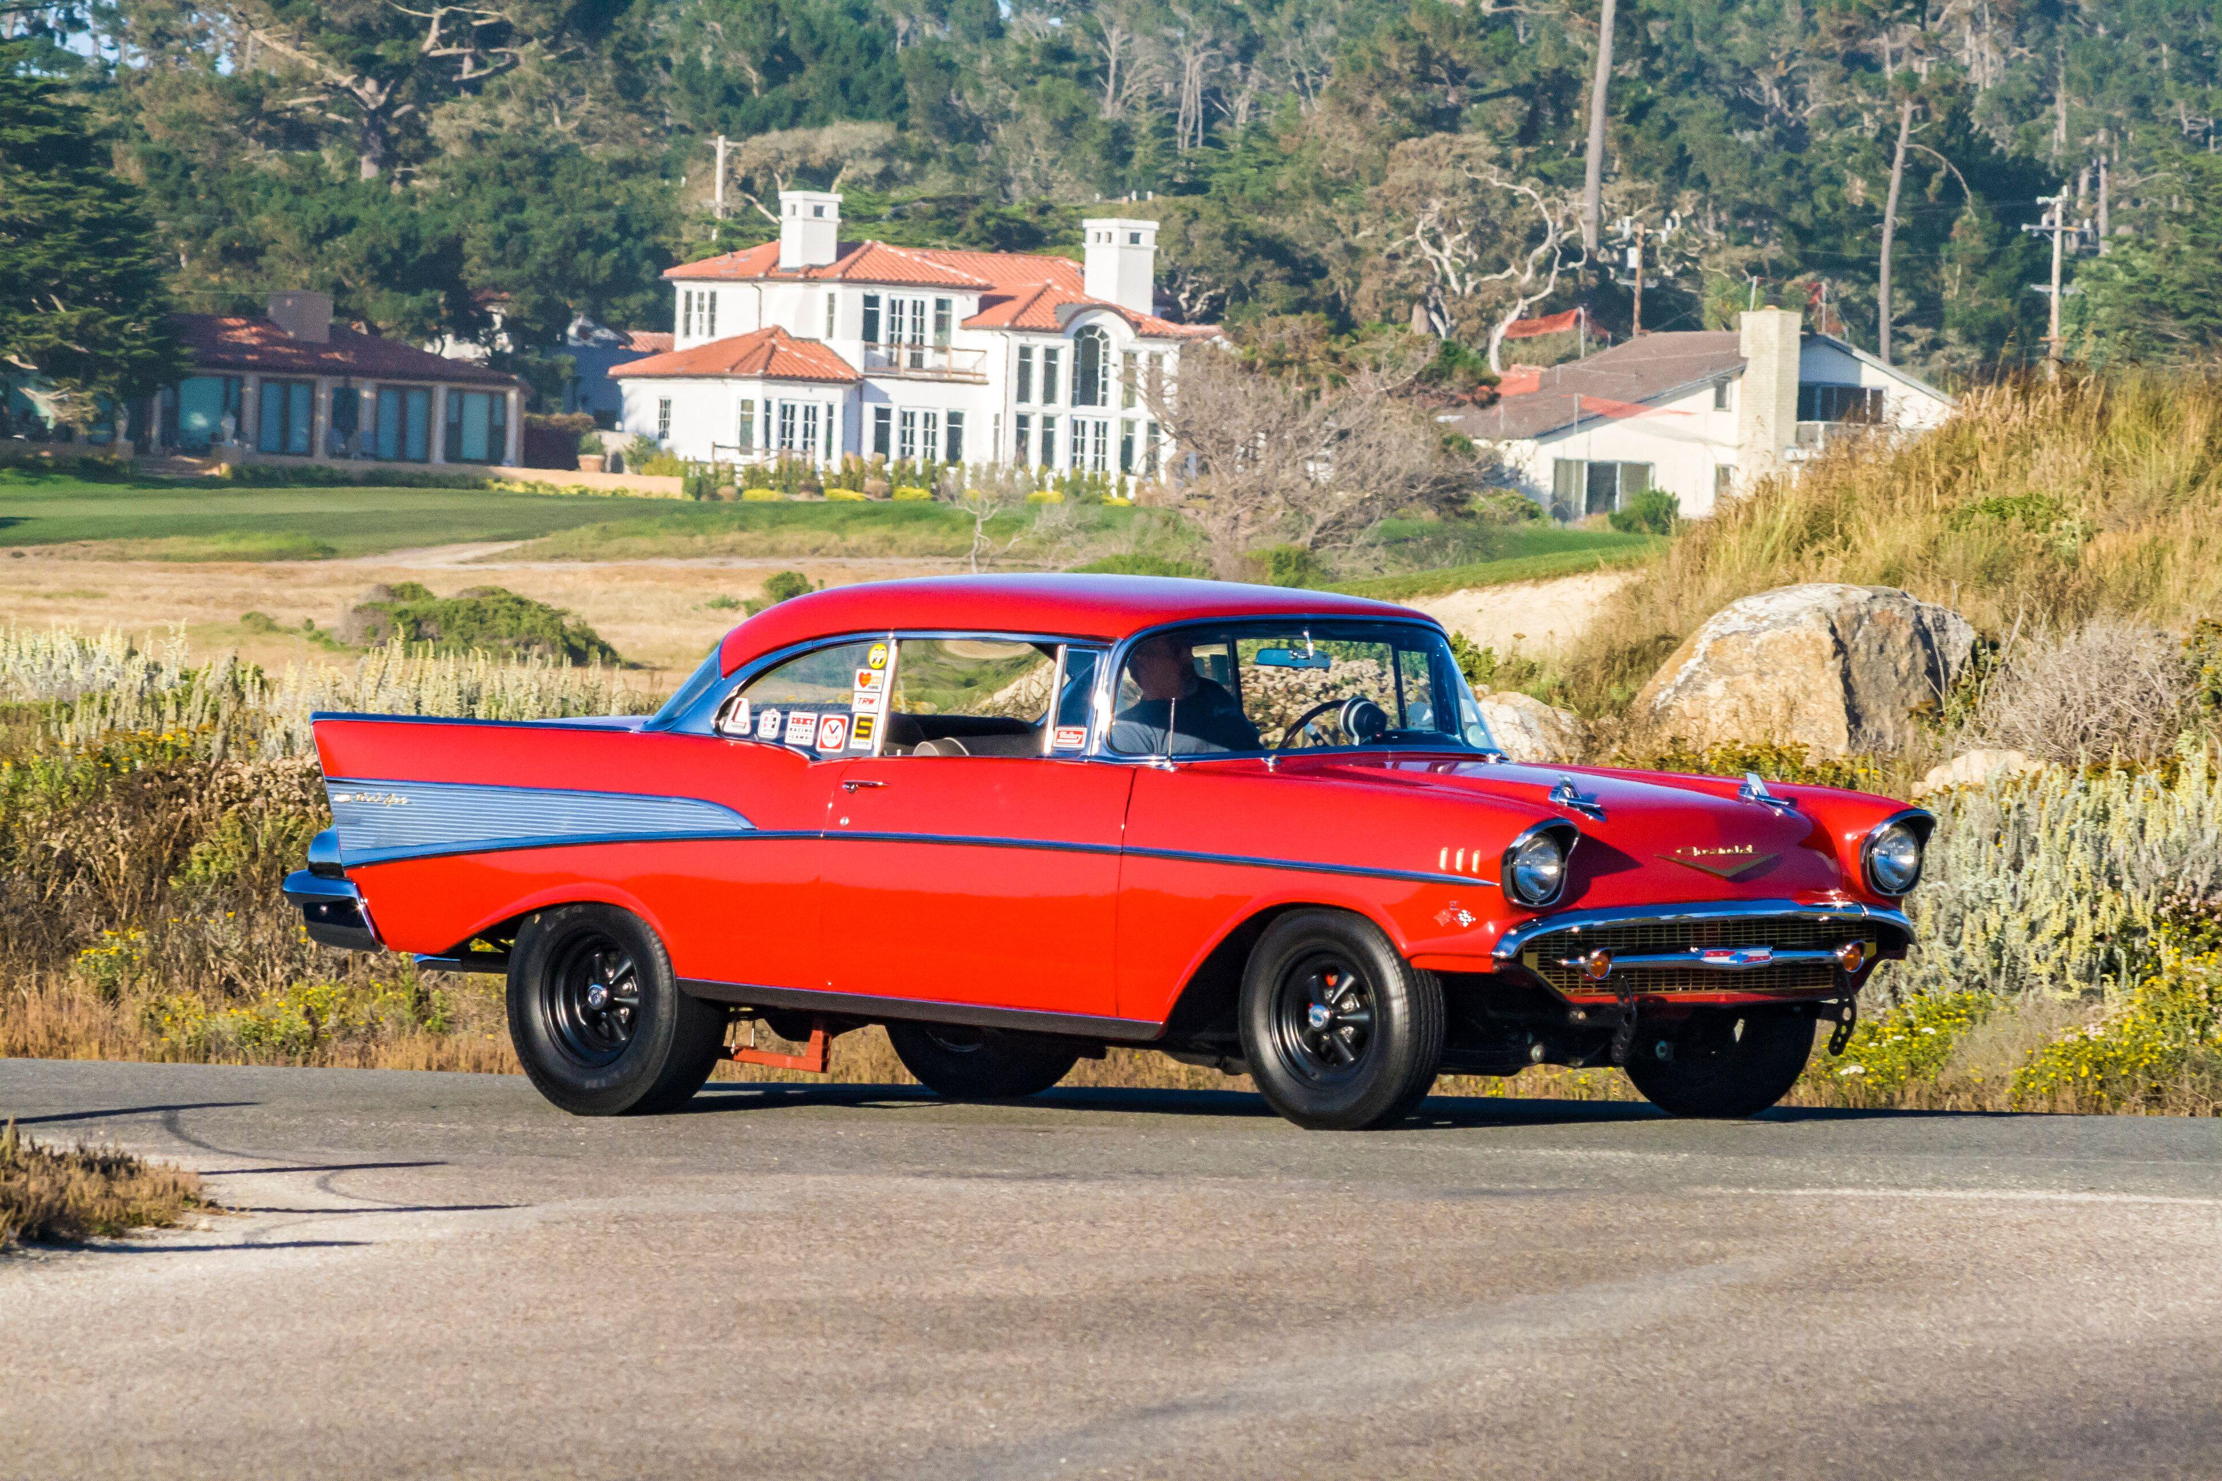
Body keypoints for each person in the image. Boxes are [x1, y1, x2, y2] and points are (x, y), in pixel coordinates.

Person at [1110, 633, 1263, 755]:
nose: (1189, 657)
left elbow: (1252, 746)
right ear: (1144, 664)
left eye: (1188, 649)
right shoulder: (1131, 728)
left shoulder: (1212, 692)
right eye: (1176, 650)